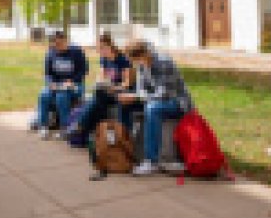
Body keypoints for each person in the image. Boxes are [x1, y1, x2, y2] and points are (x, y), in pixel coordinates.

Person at [124, 40, 193, 175]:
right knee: (126, 104)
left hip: (177, 102)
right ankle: (127, 150)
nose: (136, 64)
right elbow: (141, 89)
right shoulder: (141, 66)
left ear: (144, 54)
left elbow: (165, 93)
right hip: (156, 100)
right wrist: (136, 96)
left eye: (136, 60)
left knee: (152, 109)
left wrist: (139, 97)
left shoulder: (164, 62)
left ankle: (151, 160)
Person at [67, 32, 135, 141]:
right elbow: (102, 77)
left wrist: (114, 88)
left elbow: (127, 83)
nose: (100, 51)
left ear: (109, 46)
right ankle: (92, 134)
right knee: (98, 98)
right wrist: (100, 83)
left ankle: (81, 126)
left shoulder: (122, 60)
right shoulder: (104, 59)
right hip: (107, 92)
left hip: (121, 92)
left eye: (102, 48)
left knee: (98, 98)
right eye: (98, 48)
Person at [37, 31, 88, 139]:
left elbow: (83, 71)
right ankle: (43, 126)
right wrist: (51, 83)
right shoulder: (51, 53)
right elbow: (48, 74)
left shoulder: (77, 52)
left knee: (62, 96)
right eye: (55, 44)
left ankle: (65, 128)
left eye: (59, 44)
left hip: (75, 85)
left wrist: (72, 81)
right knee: (44, 95)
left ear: (66, 41)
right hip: (57, 84)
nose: (57, 47)